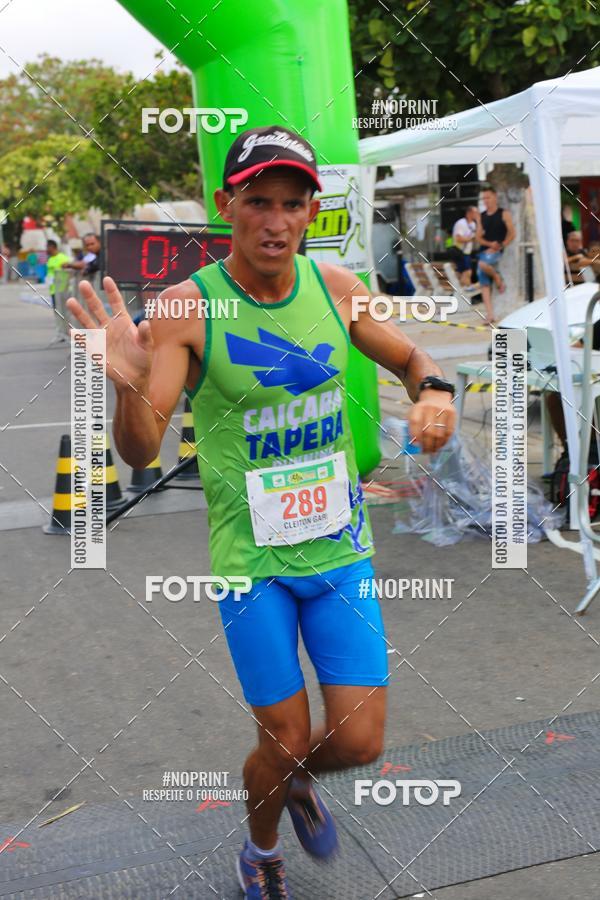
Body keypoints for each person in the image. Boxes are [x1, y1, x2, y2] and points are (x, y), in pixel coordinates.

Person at [66, 125, 456, 900]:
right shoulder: (188, 307)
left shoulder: (338, 289)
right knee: (281, 733)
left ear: (311, 212)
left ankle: (293, 779)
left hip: (340, 549)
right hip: (254, 563)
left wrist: (438, 392)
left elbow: (414, 356)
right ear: (227, 206)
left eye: (292, 204)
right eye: (257, 203)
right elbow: (142, 452)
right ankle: (260, 848)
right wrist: (125, 380)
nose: (275, 221)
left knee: (360, 742)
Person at [476, 186, 515, 325]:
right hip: (485, 250)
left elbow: (512, 233)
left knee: (481, 265)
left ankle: (497, 277)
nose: (486, 200)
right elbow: (478, 237)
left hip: (498, 251)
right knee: (483, 280)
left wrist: (501, 245)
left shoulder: (504, 214)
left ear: (495, 197)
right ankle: (490, 314)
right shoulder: (482, 216)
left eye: (488, 197)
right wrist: (489, 244)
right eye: (484, 198)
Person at [46, 240, 72, 340]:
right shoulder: (50, 259)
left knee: (66, 312)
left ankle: (69, 332)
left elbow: (69, 272)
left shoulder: (63, 258)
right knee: (57, 312)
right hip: (53, 290)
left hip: (63, 290)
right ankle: (61, 333)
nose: (46, 249)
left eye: (48, 247)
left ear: (53, 247)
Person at [448, 206, 479, 287]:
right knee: (467, 272)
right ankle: (464, 293)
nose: (476, 215)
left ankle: (462, 293)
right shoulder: (461, 223)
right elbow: (459, 238)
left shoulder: (473, 224)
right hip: (459, 251)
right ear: (469, 213)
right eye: (475, 213)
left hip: (467, 253)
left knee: (463, 273)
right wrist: (471, 239)